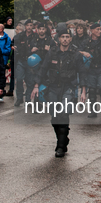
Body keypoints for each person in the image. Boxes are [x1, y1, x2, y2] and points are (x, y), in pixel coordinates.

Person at [32, 28, 86, 157]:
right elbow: (43, 69)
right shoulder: (52, 52)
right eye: (63, 37)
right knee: (55, 117)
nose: (65, 39)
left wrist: (83, 90)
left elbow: (82, 72)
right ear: (59, 39)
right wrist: (36, 85)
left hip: (68, 87)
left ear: (71, 39)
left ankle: (60, 146)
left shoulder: (76, 54)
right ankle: (63, 138)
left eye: (68, 37)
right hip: (53, 88)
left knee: (63, 114)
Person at [81, 23, 101, 118]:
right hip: (90, 69)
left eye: (100, 29)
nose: (100, 31)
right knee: (92, 91)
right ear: (92, 30)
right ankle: (93, 111)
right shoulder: (86, 42)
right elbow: (77, 51)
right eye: (98, 29)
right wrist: (84, 52)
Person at [13, 19, 36, 107]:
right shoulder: (20, 35)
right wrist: (14, 46)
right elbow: (13, 42)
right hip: (21, 60)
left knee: (30, 82)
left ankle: (28, 100)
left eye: (31, 25)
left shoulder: (35, 36)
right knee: (19, 79)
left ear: (32, 26)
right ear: (25, 26)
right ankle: (19, 98)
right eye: (27, 25)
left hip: (31, 61)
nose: (29, 27)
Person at [0, 23, 11, 101]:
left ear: (1, 29)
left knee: (1, 77)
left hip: (2, 61)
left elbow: (8, 50)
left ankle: (1, 93)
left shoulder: (7, 38)